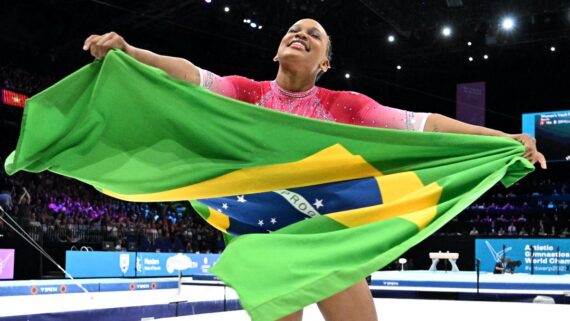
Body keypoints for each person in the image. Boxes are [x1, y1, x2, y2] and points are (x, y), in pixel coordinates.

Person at [83, 19, 546, 321]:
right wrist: (133, 52)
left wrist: (502, 138)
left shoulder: (345, 106)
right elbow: (190, 75)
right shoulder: (245, 93)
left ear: (324, 63)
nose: (300, 33)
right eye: (292, 30)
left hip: (326, 237)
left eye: (314, 34)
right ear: (276, 51)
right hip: (267, 239)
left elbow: (427, 125)